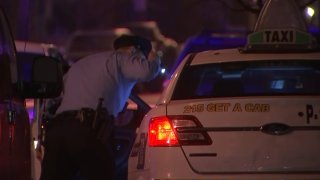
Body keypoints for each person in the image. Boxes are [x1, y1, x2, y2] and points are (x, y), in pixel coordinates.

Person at [40, 35, 161, 180]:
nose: (141, 60)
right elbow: (146, 72)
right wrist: (154, 58)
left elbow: (55, 100)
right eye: (142, 57)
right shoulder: (122, 58)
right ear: (134, 50)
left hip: (58, 132)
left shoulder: (82, 64)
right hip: (86, 131)